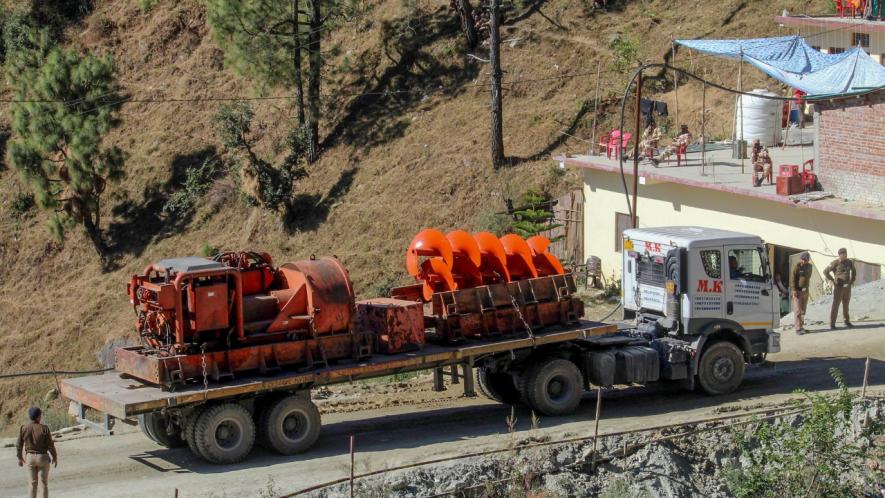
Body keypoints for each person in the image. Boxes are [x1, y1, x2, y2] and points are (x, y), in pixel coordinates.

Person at [16, 406, 57, 498]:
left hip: (30, 457)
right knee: (43, 483)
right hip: (42, 457)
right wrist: (55, 456)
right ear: (38, 416)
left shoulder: (24, 428)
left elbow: (19, 444)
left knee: (32, 484)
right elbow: (50, 445)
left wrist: (19, 457)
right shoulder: (44, 428)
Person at [824, 248, 856, 329]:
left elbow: (854, 270)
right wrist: (832, 280)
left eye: (846, 254)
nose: (845, 256)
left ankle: (846, 321)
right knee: (836, 305)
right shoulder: (835, 263)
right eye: (843, 254)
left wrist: (852, 280)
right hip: (839, 287)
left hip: (847, 288)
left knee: (846, 305)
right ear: (839, 255)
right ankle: (832, 323)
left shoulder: (849, 262)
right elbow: (825, 271)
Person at [791, 252, 813, 335]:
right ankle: (797, 328)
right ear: (801, 259)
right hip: (798, 291)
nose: (804, 261)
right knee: (797, 310)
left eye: (806, 260)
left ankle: (801, 326)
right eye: (803, 259)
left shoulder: (810, 267)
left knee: (803, 310)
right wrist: (794, 290)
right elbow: (793, 279)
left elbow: (808, 277)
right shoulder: (797, 267)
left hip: (805, 291)